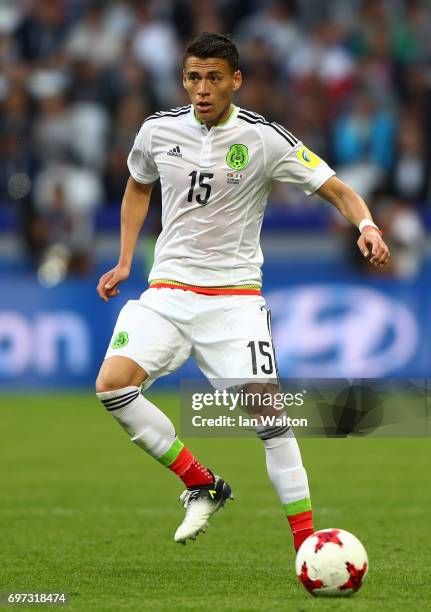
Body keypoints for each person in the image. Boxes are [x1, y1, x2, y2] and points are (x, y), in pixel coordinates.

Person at [95, 32, 389, 551]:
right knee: (113, 386)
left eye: (213, 77)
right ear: (183, 79)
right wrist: (123, 260)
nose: (202, 88)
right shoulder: (157, 131)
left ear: (236, 80)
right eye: (193, 77)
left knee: (270, 419)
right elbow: (138, 185)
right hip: (166, 289)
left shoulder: (264, 138)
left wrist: (366, 226)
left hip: (233, 300)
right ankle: (201, 483)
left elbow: (338, 190)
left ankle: (307, 543)